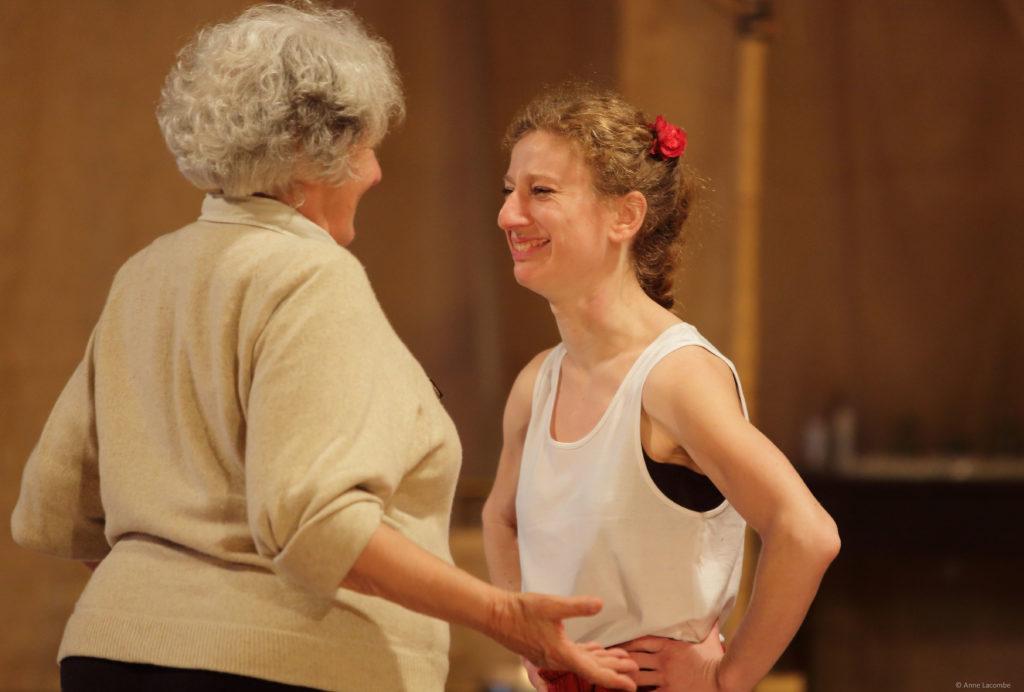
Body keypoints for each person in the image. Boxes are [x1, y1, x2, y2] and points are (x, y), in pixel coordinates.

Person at [10, 7, 638, 692]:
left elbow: (57, 508)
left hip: (103, 656)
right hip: (273, 669)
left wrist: (159, 612)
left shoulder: (146, 273)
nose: (373, 172)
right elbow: (319, 525)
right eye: (364, 147)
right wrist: (502, 614)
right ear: (313, 155)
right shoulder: (308, 274)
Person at [482, 85, 841, 692]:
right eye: (508, 191)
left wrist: (728, 677)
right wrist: (528, 634)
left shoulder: (674, 378)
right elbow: (501, 518)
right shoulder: (536, 382)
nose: (509, 214)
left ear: (625, 215)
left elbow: (806, 533)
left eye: (540, 191)